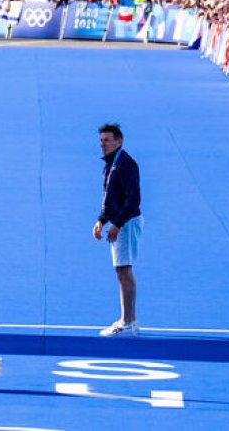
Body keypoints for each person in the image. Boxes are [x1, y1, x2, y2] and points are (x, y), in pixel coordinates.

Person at [92, 123, 143, 337]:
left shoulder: (126, 164)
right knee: (120, 270)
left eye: (107, 140)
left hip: (127, 223)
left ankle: (128, 322)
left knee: (124, 270)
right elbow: (110, 196)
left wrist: (117, 224)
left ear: (119, 141)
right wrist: (101, 220)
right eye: (101, 140)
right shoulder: (111, 164)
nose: (103, 144)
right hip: (119, 222)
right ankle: (127, 320)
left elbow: (133, 199)